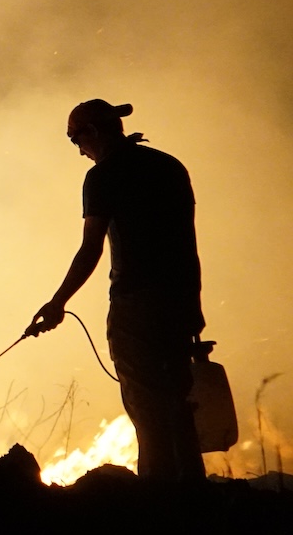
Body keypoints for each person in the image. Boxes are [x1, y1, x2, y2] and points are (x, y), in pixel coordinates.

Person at [28, 99, 206, 482]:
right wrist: (193, 306)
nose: (78, 150)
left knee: (148, 411)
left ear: (92, 132)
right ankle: (195, 501)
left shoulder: (104, 177)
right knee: (178, 405)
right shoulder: (169, 166)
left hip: (136, 307)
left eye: (76, 139)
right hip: (178, 301)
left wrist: (58, 302)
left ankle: (158, 504)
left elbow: (91, 248)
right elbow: (186, 243)